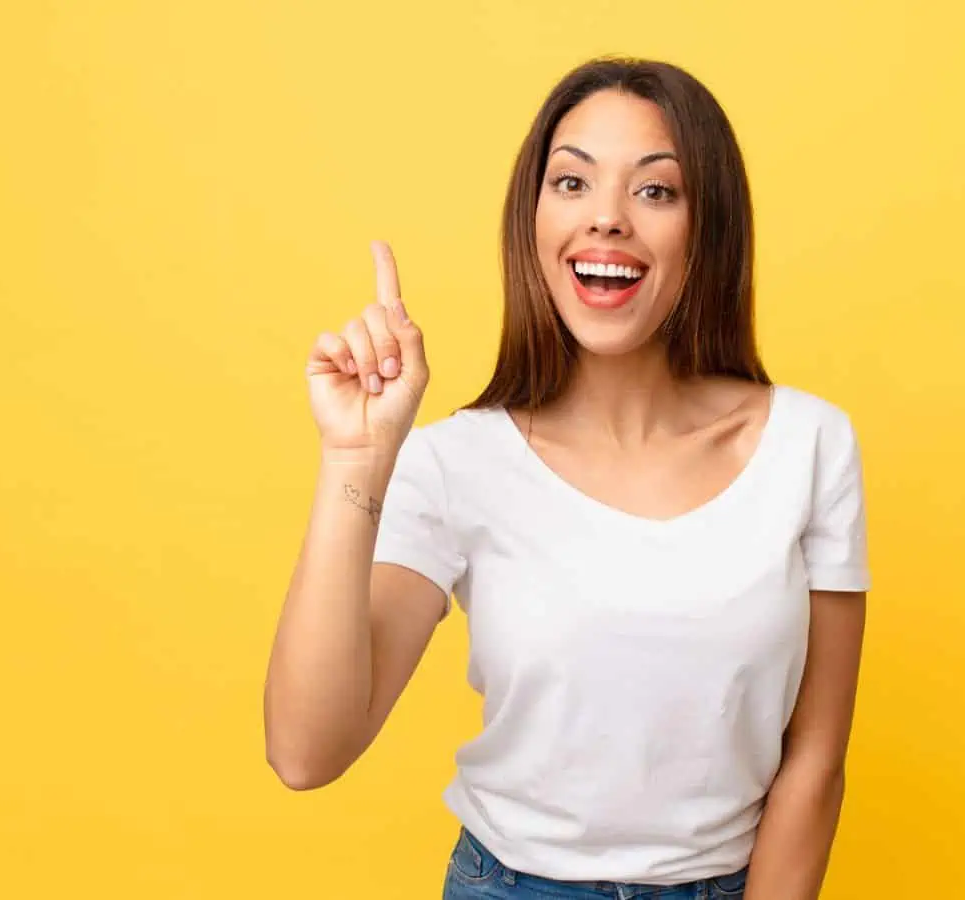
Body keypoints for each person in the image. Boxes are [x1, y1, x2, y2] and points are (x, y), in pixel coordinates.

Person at [264, 57, 870, 899]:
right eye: (572, 182)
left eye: (655, 191)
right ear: (534, 218)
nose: (608, 220)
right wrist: (355, 461)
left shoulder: (809, 444)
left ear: (710, 228)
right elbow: (305, 750)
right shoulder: (457, 463)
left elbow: (814, 760)